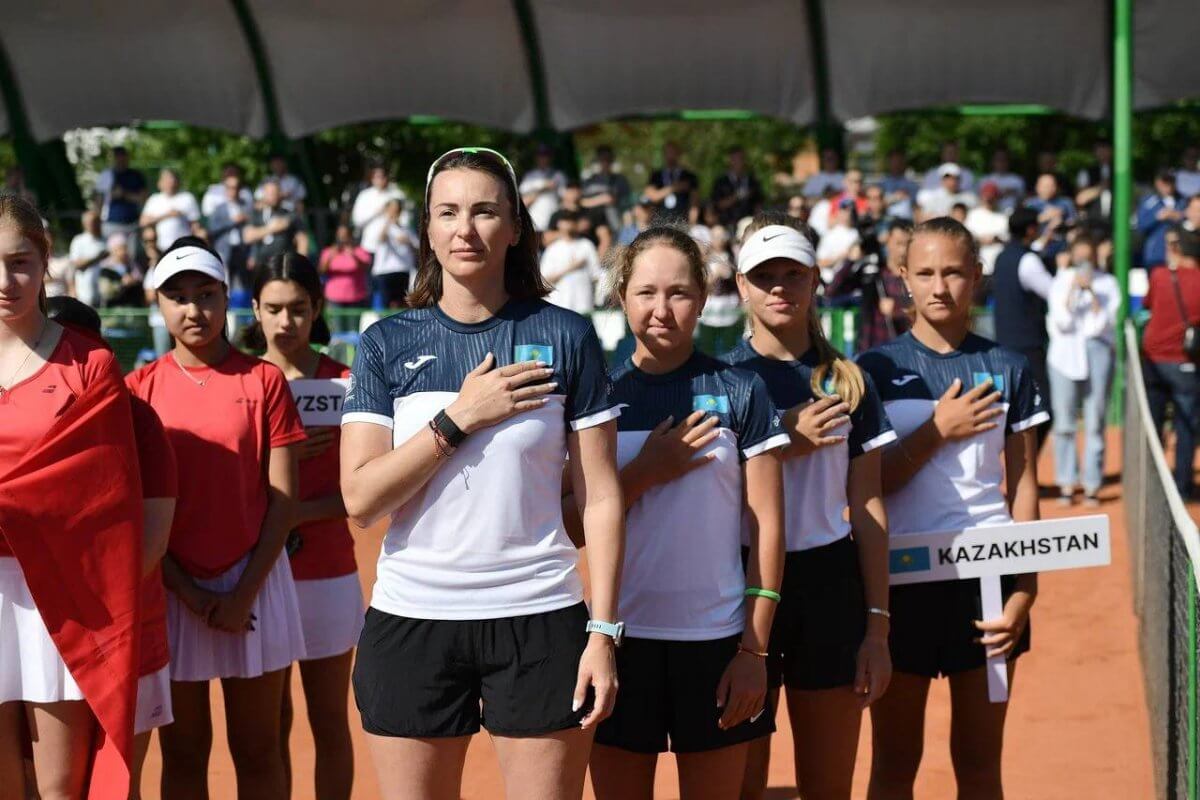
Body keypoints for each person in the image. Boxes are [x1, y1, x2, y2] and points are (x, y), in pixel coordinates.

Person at [340, 147, 623, 800]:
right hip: (412, 619)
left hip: (540, 615)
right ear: (428, 229)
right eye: (448, 212)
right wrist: (458, 419)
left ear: (516, 226)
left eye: (485, 211)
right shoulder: (386, 342)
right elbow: (360, 497)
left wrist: (604, 633)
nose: (465, 230)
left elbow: (602, 499)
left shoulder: (566, 336)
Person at [581, 225, 786, 800]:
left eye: (678, 293)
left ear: (702, 298)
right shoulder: (596, 396)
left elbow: (768, 527)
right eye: (646, 292)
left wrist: (753, 648)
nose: (662, 309)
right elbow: (573, 523)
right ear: (621, 297)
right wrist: (645, 471)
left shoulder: (743, 391)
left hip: (717, 644)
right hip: (617, 642)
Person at [858, 217, 1048, 799]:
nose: (940, 286)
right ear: (903, 280)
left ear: (977, 277)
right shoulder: (873, 371)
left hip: (988, 584)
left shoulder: (1010, 368)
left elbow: (1023, 484)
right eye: (926, 272)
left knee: (980, 765)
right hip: (899, 587)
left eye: (954, 272)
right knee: (894, 763)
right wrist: (937, 430)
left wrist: (1024, 591)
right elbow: (870, 487)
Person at [126, 237, 308, 800]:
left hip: (254, 586)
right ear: (157, 304)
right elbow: (136, 510)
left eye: (205, 295)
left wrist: (242, 595)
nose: (192, 310)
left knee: (258, 750)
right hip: (170, 590)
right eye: (176, 297)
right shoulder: (138, 390)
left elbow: (283, 501)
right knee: (182, 755)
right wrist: (184, 590)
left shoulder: (264, 382)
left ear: (227, 298)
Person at [728, 219, 893, 800]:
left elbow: (868, 502)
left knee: (828, 785)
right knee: (739, 784)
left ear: (816, 281)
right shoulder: (722, 381)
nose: (779, 288)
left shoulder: (848, 380)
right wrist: (780, 440)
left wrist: (877, 627)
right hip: (738, 586)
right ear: (740, 286)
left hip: (829, 585)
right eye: (763, 277)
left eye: (792, 275)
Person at [0, 195, 145, 799]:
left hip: (62, 595)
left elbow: (106, 498)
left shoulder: (92, 364)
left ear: (46, 261)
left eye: (20, 262)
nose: (6, 281)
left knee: (62, 788)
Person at [44, 296, 179, 800]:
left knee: (114, 785)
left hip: (123, 635)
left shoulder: (139, 421)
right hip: (45, 634)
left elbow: (153, 541)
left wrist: (77, 606)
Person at [242, 253, 361, 800]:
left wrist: (295, 511)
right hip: (257, 580)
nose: (286, 322)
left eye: (298, 309)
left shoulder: (348, 384)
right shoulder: (237, 382)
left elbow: (367, 492)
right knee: (268, 731)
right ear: (255, 311)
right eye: (274, 309)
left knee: (330, 723)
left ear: (317, 309)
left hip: (329, 574)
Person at [1046, 237, 1120, 506]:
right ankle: (1067, 481)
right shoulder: (1061, 280)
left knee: (1095, 418)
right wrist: (1072, 290)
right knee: (1064, 420)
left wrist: (1090, 292)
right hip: (1063, 355)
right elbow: (1061, 320)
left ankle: (1092, 484)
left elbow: (1103, 323)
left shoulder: (1108, 283)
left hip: (1097, 352)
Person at [1142, 228, 1200, 498]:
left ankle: (1153, 486)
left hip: (1153, 359)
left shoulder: (1160, 275)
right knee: (1185, 425)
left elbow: (1148, 304)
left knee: (1153, 429)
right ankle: (1182, 485)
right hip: (1184, 363)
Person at [992, 207, 1054, 450]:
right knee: (1042, 410)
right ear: (1030, 229)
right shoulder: (1027, 260)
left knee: (1013, 410)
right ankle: (1023, 470)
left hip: (1005, 342)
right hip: (1028, 345)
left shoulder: (1002, 256)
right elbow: (1053, 292)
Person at [828, 221, 914, 351]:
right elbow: (832, 292)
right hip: (870, 349)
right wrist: (851, 260)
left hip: (905, 351)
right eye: (899, 243)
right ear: (887, 241)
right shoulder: (873, 272)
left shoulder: (916, 276)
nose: (903, 250)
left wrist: (898, 309)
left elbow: (925, 311)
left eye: (907, 244)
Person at [541, 210, 602, 316]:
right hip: (560, 306)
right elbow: (545, 280)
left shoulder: (586, 245)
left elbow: (596, 275)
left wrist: (597, 299)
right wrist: (571, 268)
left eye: (571, 220)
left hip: (584, 304)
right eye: (565, 220)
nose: (568, 224)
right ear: (559, 224)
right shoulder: (552, 249)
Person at [244, 179, 307, 271]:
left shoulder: (289, 214)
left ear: (280, 193)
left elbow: (302, 240)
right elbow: (248, 237)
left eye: (274, 192)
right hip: (261, 265)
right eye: (269, 193)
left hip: (284, 265)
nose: (272, 196)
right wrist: (271, 228)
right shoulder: (256, 214)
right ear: (263, 194)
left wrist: (301, 263)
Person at [580, 145, 631, 257]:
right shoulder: (589, 181)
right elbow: (581, 202)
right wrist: (601, 199)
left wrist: (628, 225)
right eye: (602, 159)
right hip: (595, 226)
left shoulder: (620, 180)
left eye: (608, 159)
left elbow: (628, 204)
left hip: (616, 223)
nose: (605, 162)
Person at [204, 172, 252, 289]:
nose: (233, 191)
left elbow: (253, 230)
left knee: (243, 285)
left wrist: (253, 254)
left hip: (242, 250)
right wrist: (233, 221)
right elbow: (212, 229)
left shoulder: (247, 207)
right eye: (230, 188)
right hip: (224, 250)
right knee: (225, 283)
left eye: (236, 187)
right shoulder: (219, 209)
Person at [366, 199, 416, 309]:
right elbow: (381, 239)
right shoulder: (380, 227)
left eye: (397, 210)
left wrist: (407, 242)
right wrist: (388, 221)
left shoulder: (406, 229)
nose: (395, 212)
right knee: (385, 303)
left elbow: (416, 247)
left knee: (401, 302)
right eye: (392, 209)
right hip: (385, 271)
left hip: (402, 269)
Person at [94, 145, 148, 242]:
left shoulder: (136, 175)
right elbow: (99, 201)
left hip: (132, 223)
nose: (120, 160)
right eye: (117, 157)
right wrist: (97, 222)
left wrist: (124, 194)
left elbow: (143, 199)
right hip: (111, 223)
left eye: (122, 156)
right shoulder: (106, 175)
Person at [140, 168, 201, 251]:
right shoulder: (154, 199)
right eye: (166, 180)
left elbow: (195, 224)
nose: (170, 182)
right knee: (148, 233)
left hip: (185, 245)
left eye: (172, 179)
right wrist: (167, 215)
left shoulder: (187, 197)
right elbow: (143, 222)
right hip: (160, 247)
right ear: (160, 183)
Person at [319, 223, 373, 316]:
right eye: (340, 235)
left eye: (345, 235)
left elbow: (366, 267)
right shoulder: (328, 251)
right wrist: (330, 257)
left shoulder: (359, 251)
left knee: (354, 329)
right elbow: (321, 270)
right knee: (337, 328)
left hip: (356, 296)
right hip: (334, 297)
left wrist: (353, 255)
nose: (342, 239)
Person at [1138, 170, 1184, 270]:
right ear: (1158, 183)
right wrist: (1157, 217)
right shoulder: (1149, 201)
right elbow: (1141, 226)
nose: (1168, 186)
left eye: (1170, 182)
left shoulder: (1183, 201)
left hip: (1179, 255)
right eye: (1165, 182)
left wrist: (1178, 216)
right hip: (1156, 255)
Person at [351, 163, 407, 242]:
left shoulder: (397, 194)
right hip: (370, 245)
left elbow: (406, 218)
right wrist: (377, 212)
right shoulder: (364, 196)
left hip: (394, 246)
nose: (381, 180)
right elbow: (357, 221)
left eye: (383, 176)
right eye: (377, 177)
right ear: (372, 178)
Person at [645, 142, 700, 223]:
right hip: (660, 222)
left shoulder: (689, 176)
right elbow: (652, 196)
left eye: (673, 152)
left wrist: (692, 224)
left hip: (682, 222)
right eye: (668, 152)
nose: (671, 156)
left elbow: (694, 204)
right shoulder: (656, 175)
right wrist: (674, 188)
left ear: (679, 154)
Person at [520, 143, 568, 232]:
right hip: (535, 221)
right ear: (536, 157)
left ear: (551, 157)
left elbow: (564, 197)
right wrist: (543, 186)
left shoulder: (559, 175)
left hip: (553, 219)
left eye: (546, 155)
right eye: (540, 155)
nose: (543, 158)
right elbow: (523, 193)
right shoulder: (530, 176)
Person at [711, 147, 764, 227]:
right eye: (735, 159)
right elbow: (717, 205)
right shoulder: (721, 182)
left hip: (749, 223)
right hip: (727, 223)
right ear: (730, 161)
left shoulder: (752, 182)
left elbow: (758, 205)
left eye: (741, 159)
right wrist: (737, 196)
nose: (738, 162)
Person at [965, 182, 1010, 275]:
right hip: (979, 262)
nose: (989, 200)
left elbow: (1009, 238)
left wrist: (996, 239)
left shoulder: (1004, 215)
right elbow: (966, 236)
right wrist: (980, 240)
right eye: (987, 197)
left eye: (992, 198)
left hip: (999, 263)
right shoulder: (973, 215)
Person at [816, 199, 862, 282]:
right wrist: (842, 257)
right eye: (845, 210)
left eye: (851, 210)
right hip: (832, 280)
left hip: (854, 281)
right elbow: (820, 262)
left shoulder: (858, 233)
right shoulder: (830, 235)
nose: (848, 214)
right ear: (839, 212)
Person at [69, 209, 107, 306]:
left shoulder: (106, 240)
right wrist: (97, 257)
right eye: (89, 222)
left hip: (104, 294)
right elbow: (76, 264)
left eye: (94, 222)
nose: (92, 225)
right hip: (84, 294)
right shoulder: (78, 241)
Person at [980, 149, 1025, 213]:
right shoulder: (985, 180)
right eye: (998, 160)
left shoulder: (1017, 180)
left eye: (1004, 160)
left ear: (1008, 162)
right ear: (993, 161)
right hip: (990, 215)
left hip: (1010, 215)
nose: (1001, 163)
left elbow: (1022, 201)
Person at [880, 149, 919, 221]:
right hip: (888, 222)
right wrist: (895, 198)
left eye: (899, 162)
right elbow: (877, 205)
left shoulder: (912, 185)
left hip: (907, 222)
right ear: (889, 163)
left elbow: (916, 207)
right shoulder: (882, 184)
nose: (897, 165)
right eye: (894, 162)